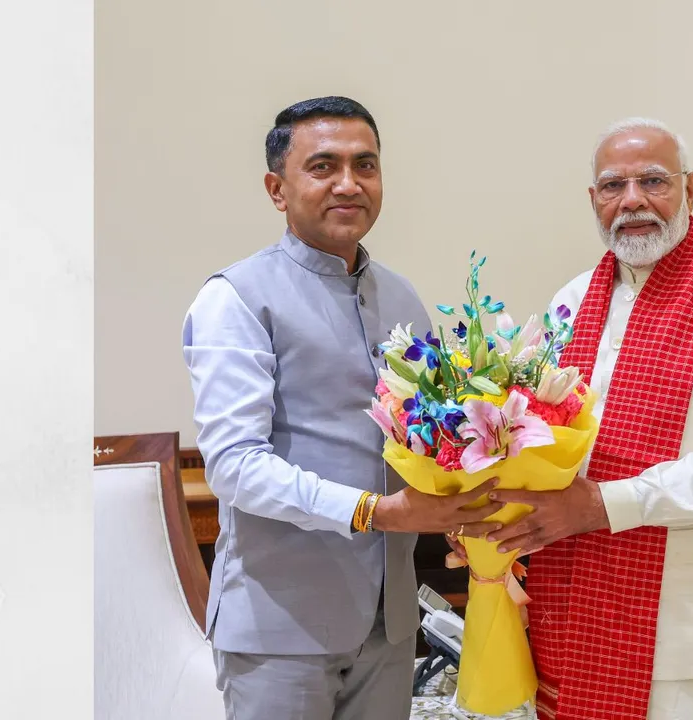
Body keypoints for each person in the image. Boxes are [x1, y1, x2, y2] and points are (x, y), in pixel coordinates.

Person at [468, 117, 693, 719]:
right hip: (576, 619)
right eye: (612, 185)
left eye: (653, 181)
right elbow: (543, 448)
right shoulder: (569, 302)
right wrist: (497, 534)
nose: (632, 201)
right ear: (593, 199)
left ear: (691, 189)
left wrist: (606, 504)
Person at [182, 96, 502, 720]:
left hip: (389, 623)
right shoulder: (236, 298)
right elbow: (235, 466)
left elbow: (426, 442)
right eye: (323, 166)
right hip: (282, 626)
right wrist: (375, 513)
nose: (349, 184)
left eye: (366, 165)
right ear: (277, 188)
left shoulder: (401, 296)